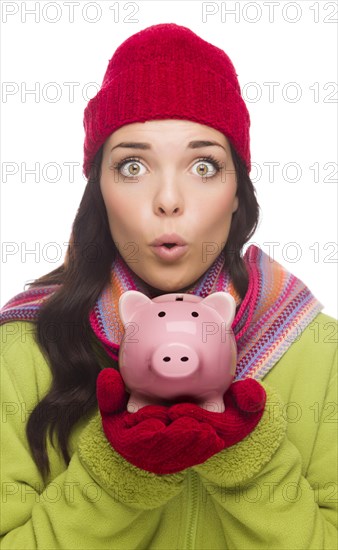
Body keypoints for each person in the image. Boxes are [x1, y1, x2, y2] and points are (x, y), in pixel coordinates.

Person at [0, 22, 337, 550]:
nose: (168, 199)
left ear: (237, 192)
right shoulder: (20, 351)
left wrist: (249, 457)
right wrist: (119, 473)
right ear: (100, 191)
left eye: (204, 165)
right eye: (132, 165)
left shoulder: (321, 351)